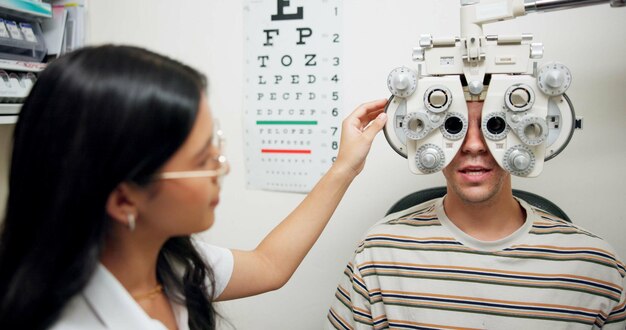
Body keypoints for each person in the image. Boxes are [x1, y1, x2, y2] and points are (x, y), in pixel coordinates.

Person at [0, 45, 389, 330]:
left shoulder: (172, 263)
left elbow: (271, 265)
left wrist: (345, 167)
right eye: (202, 160)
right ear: (124, 198)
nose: (223, 166)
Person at [326, 101, 626, 329]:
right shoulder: (379, 252)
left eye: (495, 126)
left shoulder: (596, 266)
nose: (472, 145)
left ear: (528, 134)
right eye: (452, 127)